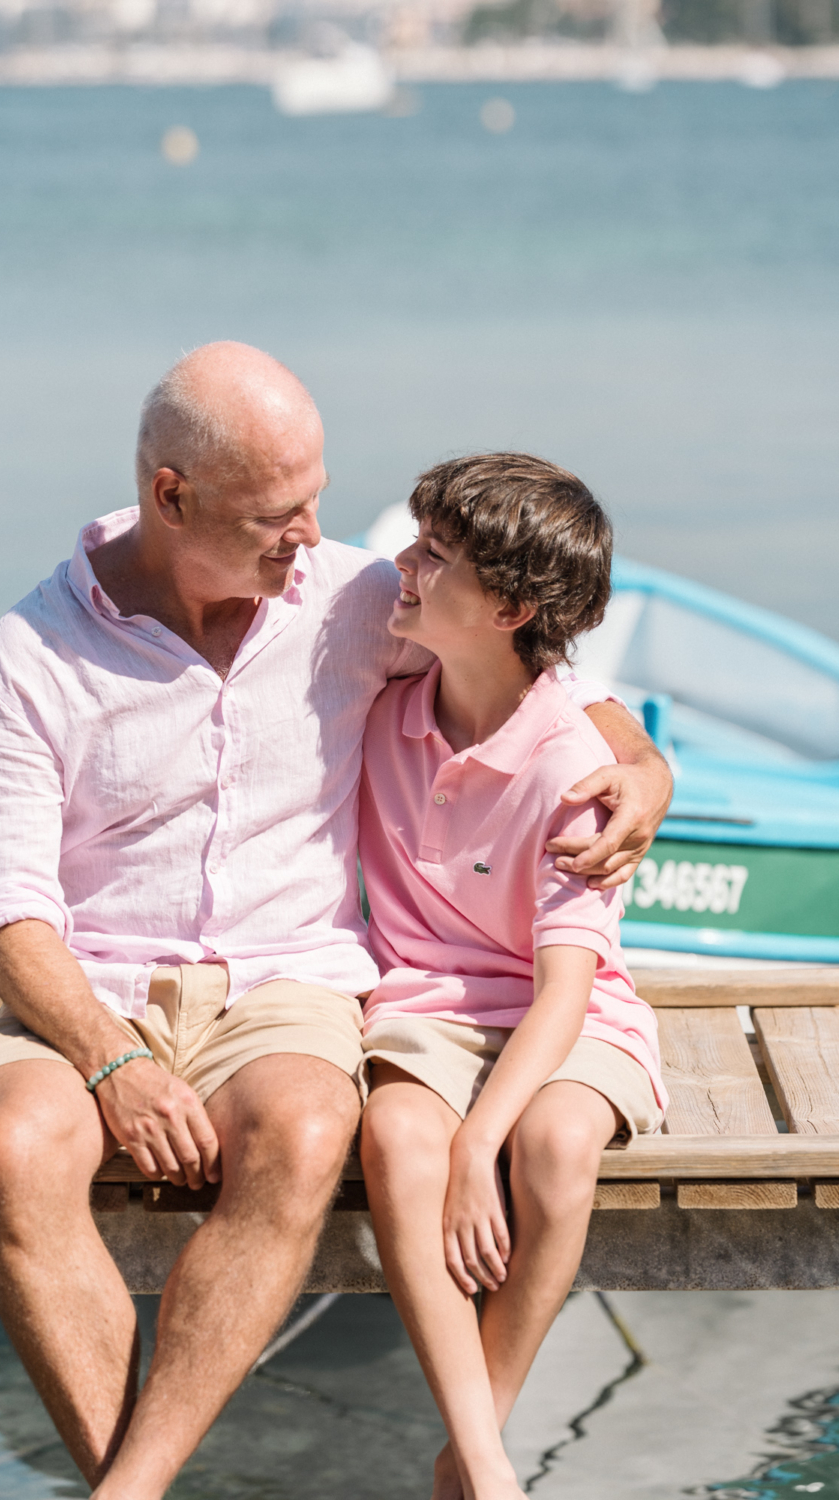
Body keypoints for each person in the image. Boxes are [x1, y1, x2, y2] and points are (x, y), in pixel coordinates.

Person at [0, 343, 672, 1500]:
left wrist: (642, 764)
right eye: (276, 516)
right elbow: (7, 913)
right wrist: (109, 1057)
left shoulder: (345, 599)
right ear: (170, 496)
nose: (313, 536)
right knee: (12, 1143)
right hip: (89, 987)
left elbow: (531, 669)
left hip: (285, 984)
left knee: (302, 1130)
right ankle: (126, 1482)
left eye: (318, 501)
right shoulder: (32, 651)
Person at [357, 453, 669, 1500]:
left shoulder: (572, 766)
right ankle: (489, 1467)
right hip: (426, 1007)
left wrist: (479, 1139)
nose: (400, 565)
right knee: (399, 1135)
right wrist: (446, 1144)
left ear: (506, 606)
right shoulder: (387, 693)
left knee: (553, 1144)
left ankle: (469, 1453)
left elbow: (568, 993)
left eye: (432, 557)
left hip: (563, 1016)